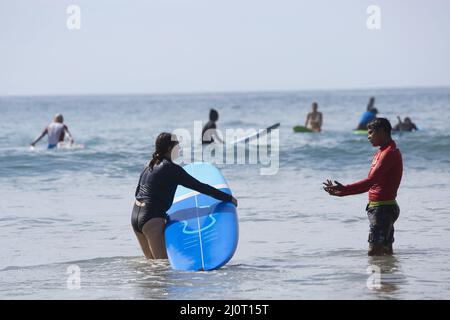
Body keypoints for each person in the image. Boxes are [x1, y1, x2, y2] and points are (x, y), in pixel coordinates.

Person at [132, 132, 238, 259]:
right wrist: (228, 198)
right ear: (170, 149)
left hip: (135, 215)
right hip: (151, 218)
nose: (180, 149)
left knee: (151, 265)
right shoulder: (172, 169)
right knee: (162, 265)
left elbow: (138, 192)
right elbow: (200, 187)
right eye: (177, 146)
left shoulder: (149, 165)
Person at [323, 118, 403, 256]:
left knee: (374, 253)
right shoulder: (381, 152)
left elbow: (370, 181)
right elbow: (372, 183)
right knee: (386, 253)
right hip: (382, 208)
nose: (368, 136)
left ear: (383, 131)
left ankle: (378, 277)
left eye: (371, 132)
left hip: (382, 209)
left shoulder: (389, 153)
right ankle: (389, 277)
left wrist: (344, 189)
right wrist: (342, 192)